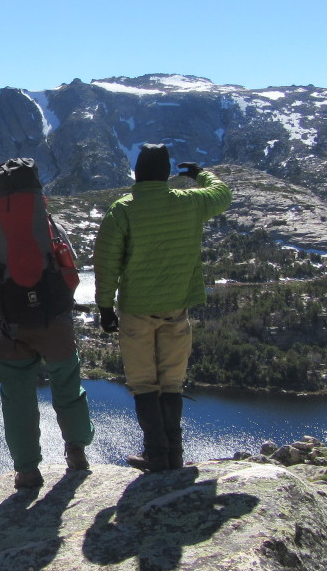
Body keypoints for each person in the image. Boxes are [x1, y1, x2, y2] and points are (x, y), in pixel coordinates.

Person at [92, 143, 232, 472]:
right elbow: (222, 194)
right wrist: (201, 174)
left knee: (143, 383)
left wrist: (104, 307)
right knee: (171, 383)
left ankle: (156, 453)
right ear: (167, 174)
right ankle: (175, 455)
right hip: (177, 309)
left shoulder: (123, 209)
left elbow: (107, 263)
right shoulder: (190, 202)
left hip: (136, 312)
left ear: (137, 174)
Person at [0, 279, 95, 491]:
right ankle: (77, 450)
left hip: (13, 326)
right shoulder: (52, 242)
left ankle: (27, 470)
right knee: (68, 386)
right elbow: (70, 275)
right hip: (56, 322)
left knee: (18, 401)